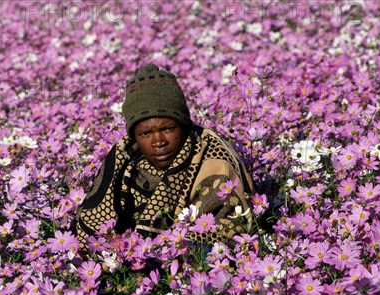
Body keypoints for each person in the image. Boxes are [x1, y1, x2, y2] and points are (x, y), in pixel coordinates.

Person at [72, 64, 255, 249]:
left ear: (184, 125)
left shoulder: (216, 164)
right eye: (145, 133)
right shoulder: (124, 158)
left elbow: (221, 245)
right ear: (134, 136)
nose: (158, 141)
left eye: (167, 129)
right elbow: (89, 233)